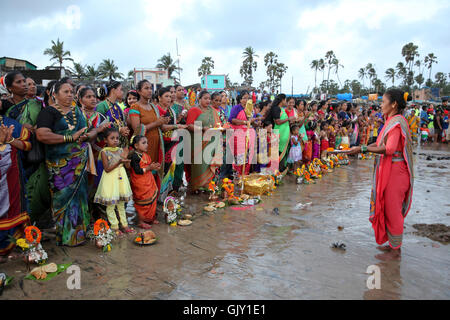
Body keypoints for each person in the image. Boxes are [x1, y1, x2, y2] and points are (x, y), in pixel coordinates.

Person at [348, 89, 414, 260]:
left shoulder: (397, 123)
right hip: (391, 171)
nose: (381, 104)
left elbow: (389, 149)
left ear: (394, 104)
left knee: (393, 211)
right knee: (387, 208)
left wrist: (362, 148)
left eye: (383, 101)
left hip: (395, 174)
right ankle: (393, 244)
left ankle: (396, 251)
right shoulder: (391, 121)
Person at [36, 80, 98, 246]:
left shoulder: (77, 111)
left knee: (81, 198)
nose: (70, 94)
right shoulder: (48, 112)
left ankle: (80, 235)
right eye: (66, 91)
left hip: (79, 165)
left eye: (72, 92)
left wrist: (87, 136)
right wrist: (70, 138)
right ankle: (65, 237)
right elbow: (42, 135)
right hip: (60, 168)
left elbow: (86, 132)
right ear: (54, 94)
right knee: (62, 200)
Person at [0, 117, 32, 263]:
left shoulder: (9, 123)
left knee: (13, 208)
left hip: (12, 177)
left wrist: (10, 140)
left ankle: (10, 246)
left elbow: (27, 146)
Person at [94, 127, 135, 235]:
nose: (116, 140)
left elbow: (127, 166)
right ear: (106, 140)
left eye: (117, 138)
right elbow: (107, 169)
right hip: (110, 179)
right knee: (111, 205)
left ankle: (125, 225)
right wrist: (119, 162)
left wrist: (126, 161)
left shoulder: (121, 150)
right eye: (112, 138)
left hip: (121, 178)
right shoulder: (104, 152)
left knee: (121, 204)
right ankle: (114, 226)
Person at [129, 80, 168, 189]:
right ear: (139, 91)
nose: (150, 90)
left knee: (155, 171)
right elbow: (137, 129)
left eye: (151, 88)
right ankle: (144, 202)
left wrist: (176, 126)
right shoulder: (135, 107)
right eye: (146, 88)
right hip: (143, 148)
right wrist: (156, 123)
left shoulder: (153, 107)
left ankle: (153, 200)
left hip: (156, 146)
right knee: (144, 172)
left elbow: (161, 127)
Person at [186, 90, 221, 192]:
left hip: (211, 141)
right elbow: (189, 125)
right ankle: (198, 186)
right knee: (199, 164)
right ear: (199, 99)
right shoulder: (194, 110)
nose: (208, 101)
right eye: (205, 98)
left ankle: (208, 185)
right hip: (198, 141)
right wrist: (202, 129)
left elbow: (217, 124)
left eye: (209, 99)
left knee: (209, 163)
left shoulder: (212, 111)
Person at [156, 87, 187, 199]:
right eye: (166, 96)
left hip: (173, 141)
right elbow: (162, 127)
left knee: (171, 169)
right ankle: (160, 195)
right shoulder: (157, 109)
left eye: (170, 96)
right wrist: (176, 126)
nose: (169, 98)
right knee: (163, 168)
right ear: (159, 97)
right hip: (162, 143)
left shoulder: (172, 110)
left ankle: (169, 193)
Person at [130, 135, 161, 229]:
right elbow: (138, 171)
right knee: (142, 202)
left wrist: (154, 166)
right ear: (136, 146)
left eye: (147, 143)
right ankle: (141, 221)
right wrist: (149, 168)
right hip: (140, 183)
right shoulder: (134, 157)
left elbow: (147, 167)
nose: (147, 145)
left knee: (152, 199)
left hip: (148, 180)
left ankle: (150, 218)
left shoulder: (145, 155)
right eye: (143, 143)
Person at [229, 91, 258, 176]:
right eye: (244, 98)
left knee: (248, 155)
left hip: (249, 135)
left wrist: (256, 123)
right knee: (239, 156)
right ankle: (237, 175)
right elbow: (232, 120)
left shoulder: (251, 109)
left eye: (248, 98)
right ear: (240, 100)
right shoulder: (236, 108)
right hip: (238, 135)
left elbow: (252, 121)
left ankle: (245, 175)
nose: (246, 100)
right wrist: (245, 122)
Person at [96, 81, 130, 148]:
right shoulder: (102, 106)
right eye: (121, 89)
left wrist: (125, 130)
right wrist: (119, 130)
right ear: (113, 90)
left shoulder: (117, 106)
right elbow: (98, 128)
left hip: (119, 145)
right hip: (107, 147)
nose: (122, 92)